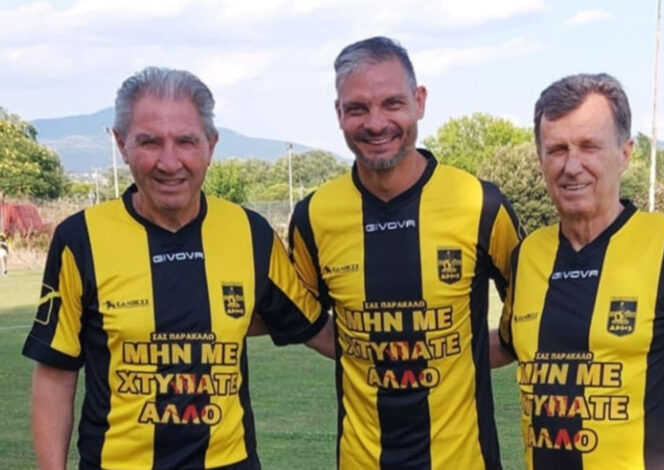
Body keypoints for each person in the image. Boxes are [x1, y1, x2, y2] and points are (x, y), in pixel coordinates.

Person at [22, 66, 333, 470]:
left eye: (186, 141)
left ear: (211, 145)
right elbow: (54, 373)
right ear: (121, 144)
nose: (169, 163)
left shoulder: (251, 233)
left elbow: (315, 328)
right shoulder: (81, 238)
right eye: (149, 142)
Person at [491, 73, 664, 470]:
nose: (571, 166)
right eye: (557, 149)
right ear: (541, 160)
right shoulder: (527, 254)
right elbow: (508, 343)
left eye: (589, 146)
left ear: (625, 153)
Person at [288, 36, 522, 470]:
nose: (376, 123)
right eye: (358, 108)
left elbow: (530, 316)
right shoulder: (314, 216)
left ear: (419, 102)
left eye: (392, 103)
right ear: (339, 113)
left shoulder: (480, 204)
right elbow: (301, 317)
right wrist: (368, 348)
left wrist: (464, 355)